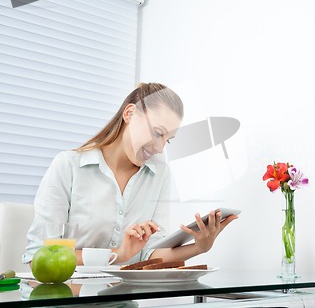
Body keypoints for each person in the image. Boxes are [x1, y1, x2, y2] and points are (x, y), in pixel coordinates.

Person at [23, 82, 238, 266]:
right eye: (157, 133)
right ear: (129, 113)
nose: (161, 147)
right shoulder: (68, 166)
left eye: (168, 139)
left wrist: (199, 247)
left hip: (120, 298)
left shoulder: (159, 174)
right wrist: (118, 254)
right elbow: (40, 256)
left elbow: (151, 253)